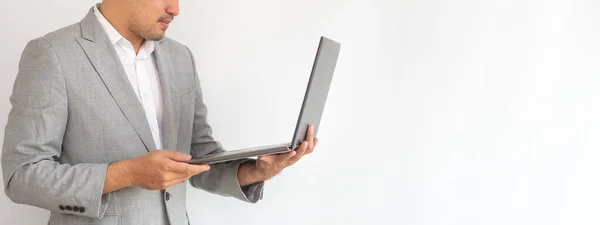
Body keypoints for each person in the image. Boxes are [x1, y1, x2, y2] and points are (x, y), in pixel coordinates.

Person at [0, 1, 318, 225]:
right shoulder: (53, 54)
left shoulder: (180, 57)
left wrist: (257, 172)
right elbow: (21, 176)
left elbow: (200, 157)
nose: (175, 9)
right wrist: (127, 174)